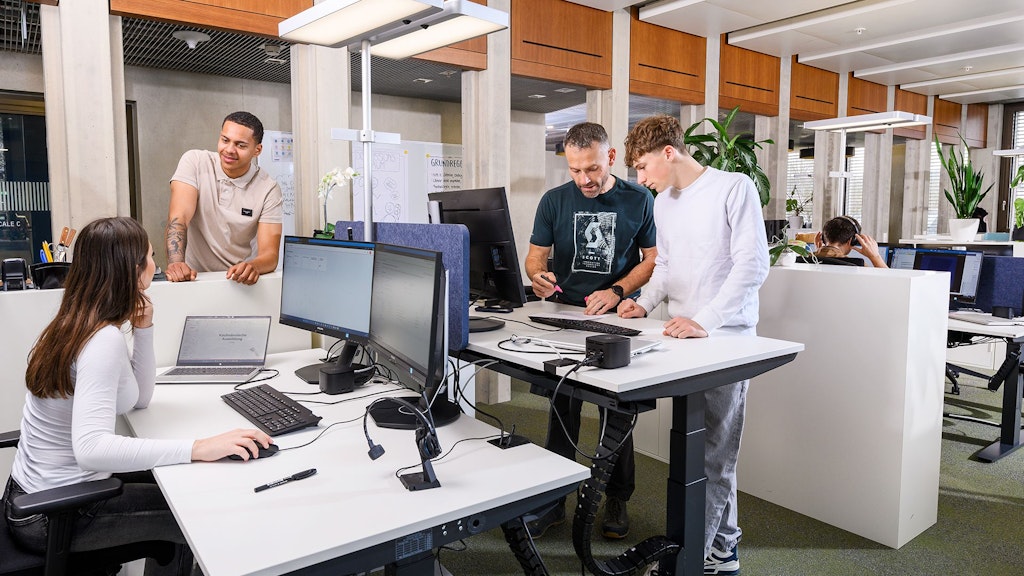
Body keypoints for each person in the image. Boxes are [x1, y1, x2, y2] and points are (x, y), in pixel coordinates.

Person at [2, 216, 274, 576]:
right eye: (149, 257)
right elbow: (91, 449)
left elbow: (138, 400)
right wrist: (198, 447)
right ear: (132, 271)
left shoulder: (78, 320)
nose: (156, 266)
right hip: (55, 515)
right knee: (199, 516)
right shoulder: (101, 340)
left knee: (188, 483)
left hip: (29, 498)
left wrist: (143, 329)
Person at [619, 115, 769, 576]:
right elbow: (664, 268)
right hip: (681, 334)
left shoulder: (733, 187)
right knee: (702, 448)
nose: (641, 179)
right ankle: (724, 549)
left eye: (643, 167)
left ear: (669, 152)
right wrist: (642, 304)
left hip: (725, 336)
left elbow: (753, 266)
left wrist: (705, 321)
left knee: (714, 451)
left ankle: (691, 558)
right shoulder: (663, 203)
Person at [523, 122, 658, 540]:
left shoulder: (640, 198)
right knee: (562, 404)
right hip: (562, 312)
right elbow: (534, 257)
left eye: (593, 169)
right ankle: (553, 501)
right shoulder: (554, 201)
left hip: (616, 318)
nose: (584, 179)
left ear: (611, 157)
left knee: (615, 409)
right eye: (576, 170)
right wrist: (539, 276)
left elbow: (653, 258)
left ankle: (616, 496)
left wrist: (618, 290)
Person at [165, 111, 283, 285]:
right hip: (194, 278)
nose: (229, 150)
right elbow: (179, 219)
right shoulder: (195, 162)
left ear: (257, 150)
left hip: (239, 281)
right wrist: (176, 263)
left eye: (240, 145)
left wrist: (253, 267)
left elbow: (270, 255)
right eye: (225, 140)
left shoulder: (269, 188)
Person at [813, 215, 889, 268]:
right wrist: (875, 257)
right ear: (851, 241)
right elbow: (889, 284)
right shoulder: (856, 265)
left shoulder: (804, 260)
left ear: (823, 238)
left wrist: (821, 253)